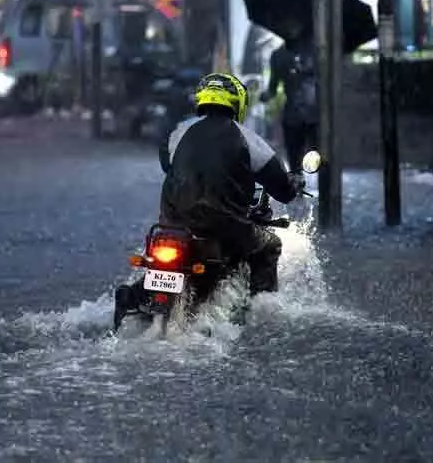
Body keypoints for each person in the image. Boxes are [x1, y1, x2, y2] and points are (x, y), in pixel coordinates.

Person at [118, 72, 304, 313]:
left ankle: (132, 297)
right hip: (226, 228)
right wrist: (295, 183)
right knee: (270, 245)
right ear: (237, 103)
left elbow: (169, 165)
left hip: (174, 226)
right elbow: (283, 191)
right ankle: (263, 313)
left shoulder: (178, 133)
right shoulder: (249, 140)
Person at [259, 19, 319, 175]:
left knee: (317, 156)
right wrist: (265, 96)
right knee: (294, 159)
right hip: (295, 114)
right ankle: (297, 185)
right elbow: (273, 87)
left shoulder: (315, 52)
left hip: (314, 113)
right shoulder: (279, 55)